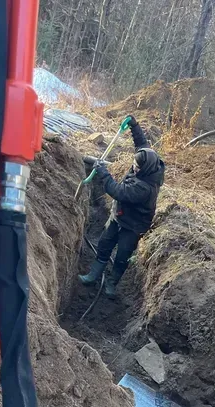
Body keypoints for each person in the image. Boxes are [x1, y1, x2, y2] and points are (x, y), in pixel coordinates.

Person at [79, 115, 165, 298]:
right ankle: (93, 274)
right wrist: (134, 124)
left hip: (134, 225)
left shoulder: (145, 188)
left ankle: (111, 283)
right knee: (105, 243)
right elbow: (141, 142)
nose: (133, 168)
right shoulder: (147, 159)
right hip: (119, 215)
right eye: (134, 164)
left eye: (137, 167)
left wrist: (103, 172)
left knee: (122, 255)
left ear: (145, 169)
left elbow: (118, 192)